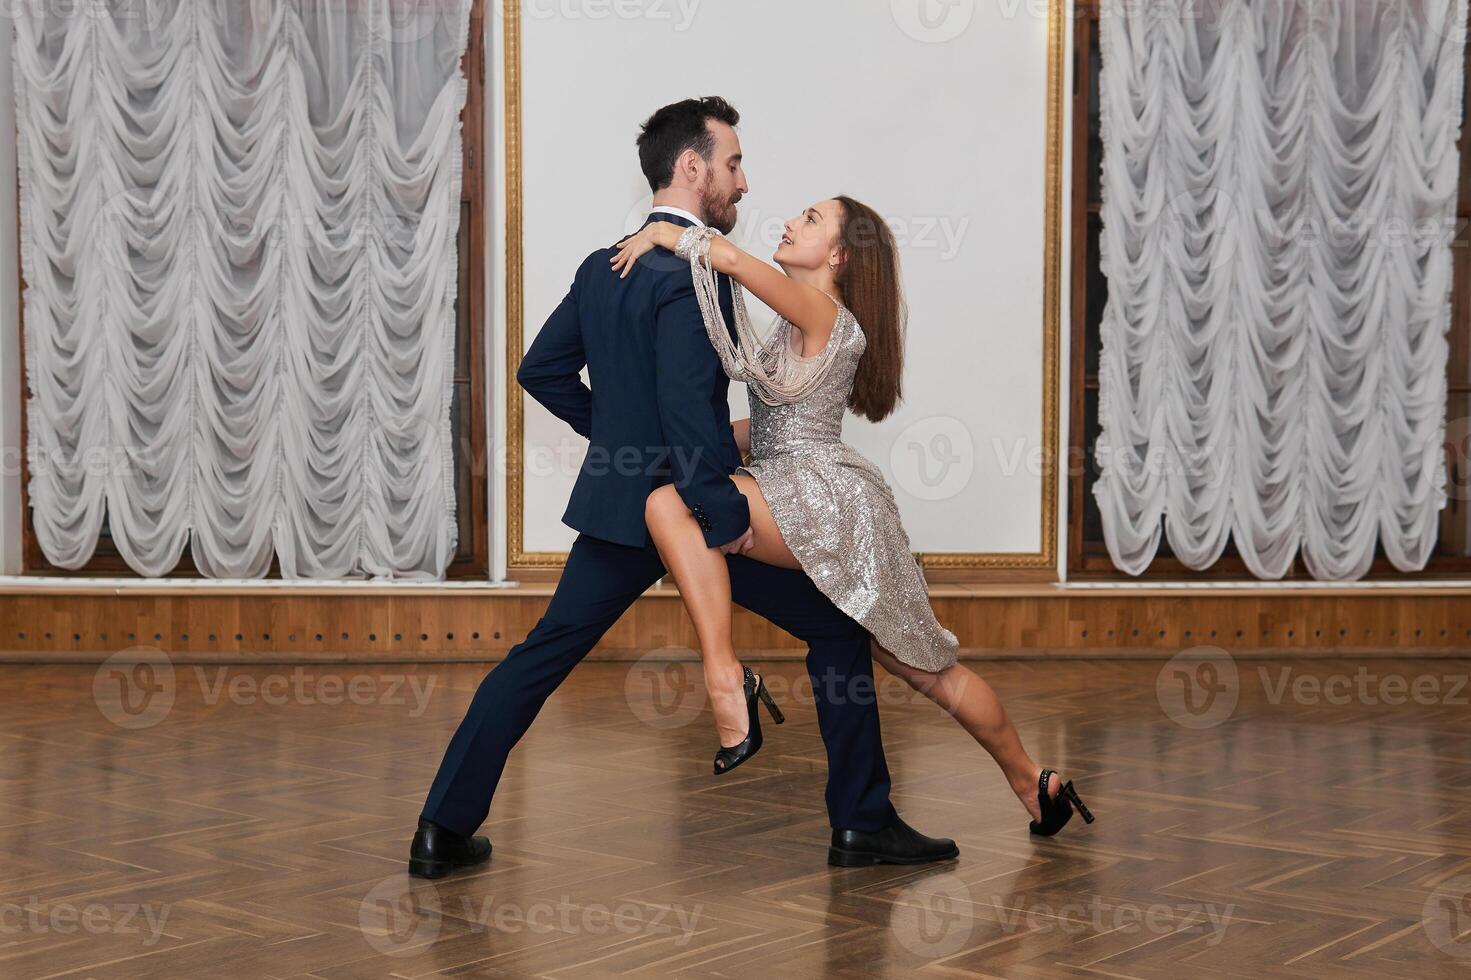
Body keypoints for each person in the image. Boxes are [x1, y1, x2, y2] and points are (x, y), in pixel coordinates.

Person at [408, 97, 959, 879]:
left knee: (540, 656)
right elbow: (685, 408)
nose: (743, 181)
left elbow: (541, 370)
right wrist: (724, 510)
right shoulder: (692, 273)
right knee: (837, 632)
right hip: (699, 511)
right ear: (693, 167)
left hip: (622, 506)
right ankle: (862, 825)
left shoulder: (604, 267)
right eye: (732, 164)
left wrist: (620, 444)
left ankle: (440, 828)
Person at [610, 194, 1095, 837]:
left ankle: (729, 681)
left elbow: (723, 254)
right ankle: (1031, 781)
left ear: (838, 255)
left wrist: (661, 233)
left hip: (827, 502)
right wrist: (689, 440)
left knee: (926, 666)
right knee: (922, 670)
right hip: (790, 482)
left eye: (809, 220)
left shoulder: (820, 308)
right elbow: (772, 426)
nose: (788, 222)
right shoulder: (795, 323)